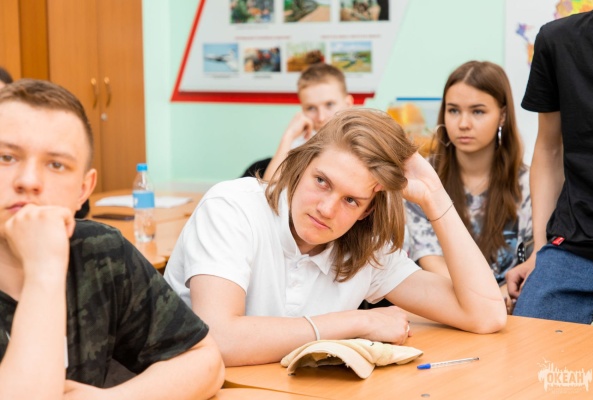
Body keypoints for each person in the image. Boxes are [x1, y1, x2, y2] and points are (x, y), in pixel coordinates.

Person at [164, 108, 507, 367]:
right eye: (322, 181)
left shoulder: (368, 248)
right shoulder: (232, 208)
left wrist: (435, 196)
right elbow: (220, 339)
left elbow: (486, 314)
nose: (326, 209)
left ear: (367, 211)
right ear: (302, 164)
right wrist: (358, 321)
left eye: (351, 200)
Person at [0, 79, 224, 399]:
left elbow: (205, 362)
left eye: (56, 164)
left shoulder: (100, 251)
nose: (28, 180)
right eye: (7, 157)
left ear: (83, 190)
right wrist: (44, 268)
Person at [405, 61, 533, 295]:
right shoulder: (423, 176)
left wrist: (502, 296)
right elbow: (429, 258)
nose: (463, 124)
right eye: (454, 110)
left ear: (502, 115)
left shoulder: (529, 183)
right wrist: (485, 299)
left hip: (511, 304)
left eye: (478, 111)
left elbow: (535, 260)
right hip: (446, 300)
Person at [507, 9, 593, 324]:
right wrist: (539, 250)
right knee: (528, 344)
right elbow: (549, 149)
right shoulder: (558, 40)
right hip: (574, 245)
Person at [241, 62, 353, 179]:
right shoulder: (301, 143)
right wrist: (288, 136)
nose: (321, 117)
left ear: (348, 104)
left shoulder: (360, 140)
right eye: (311, 108)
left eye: (329, 104)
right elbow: (269, 187)